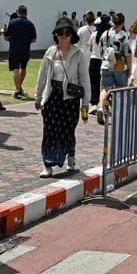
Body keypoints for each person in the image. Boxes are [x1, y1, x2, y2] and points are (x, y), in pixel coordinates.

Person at [34, 17, 91, 177]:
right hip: (52, 96)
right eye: (60, 33)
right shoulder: (50, 52)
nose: (64, 37)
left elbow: (85, 78)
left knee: (68, 130)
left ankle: (70, 156)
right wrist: (38, 97)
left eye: (67, 33)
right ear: (56, 35)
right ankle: (48, 164)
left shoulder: (78, 54)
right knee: (50, 131)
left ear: (72, 35)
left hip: (70, 99)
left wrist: (86, 102)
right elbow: (42, 76)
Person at [90, 12, 130, 124]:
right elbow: (127, 53)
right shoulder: (124, 35)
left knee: (105, 89)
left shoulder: (105, 34)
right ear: (122, 23)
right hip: (119, 66)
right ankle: (118, 113)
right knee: (119, 89)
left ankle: (100, 108)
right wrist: (130, 68)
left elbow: (101, 50)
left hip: (106, 64)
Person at [4, 6, 37, 99]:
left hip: (14, 50)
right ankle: (19, 87)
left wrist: (6, 34)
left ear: (18, 12)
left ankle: (18, 90)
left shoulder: (12, 22)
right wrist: (26, 40)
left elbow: (6, 37)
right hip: (25, 50)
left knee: (15, 70)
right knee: (23, 68)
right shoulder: (30, 24)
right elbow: (34, 39)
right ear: (26, 13)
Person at [78, 11, 102, 92]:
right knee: (93, 74)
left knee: (83, 72)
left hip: (83, 51)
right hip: (94, 51)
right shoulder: (97, 29)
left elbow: (77, 43)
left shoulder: (81, 30)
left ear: (85, 19)